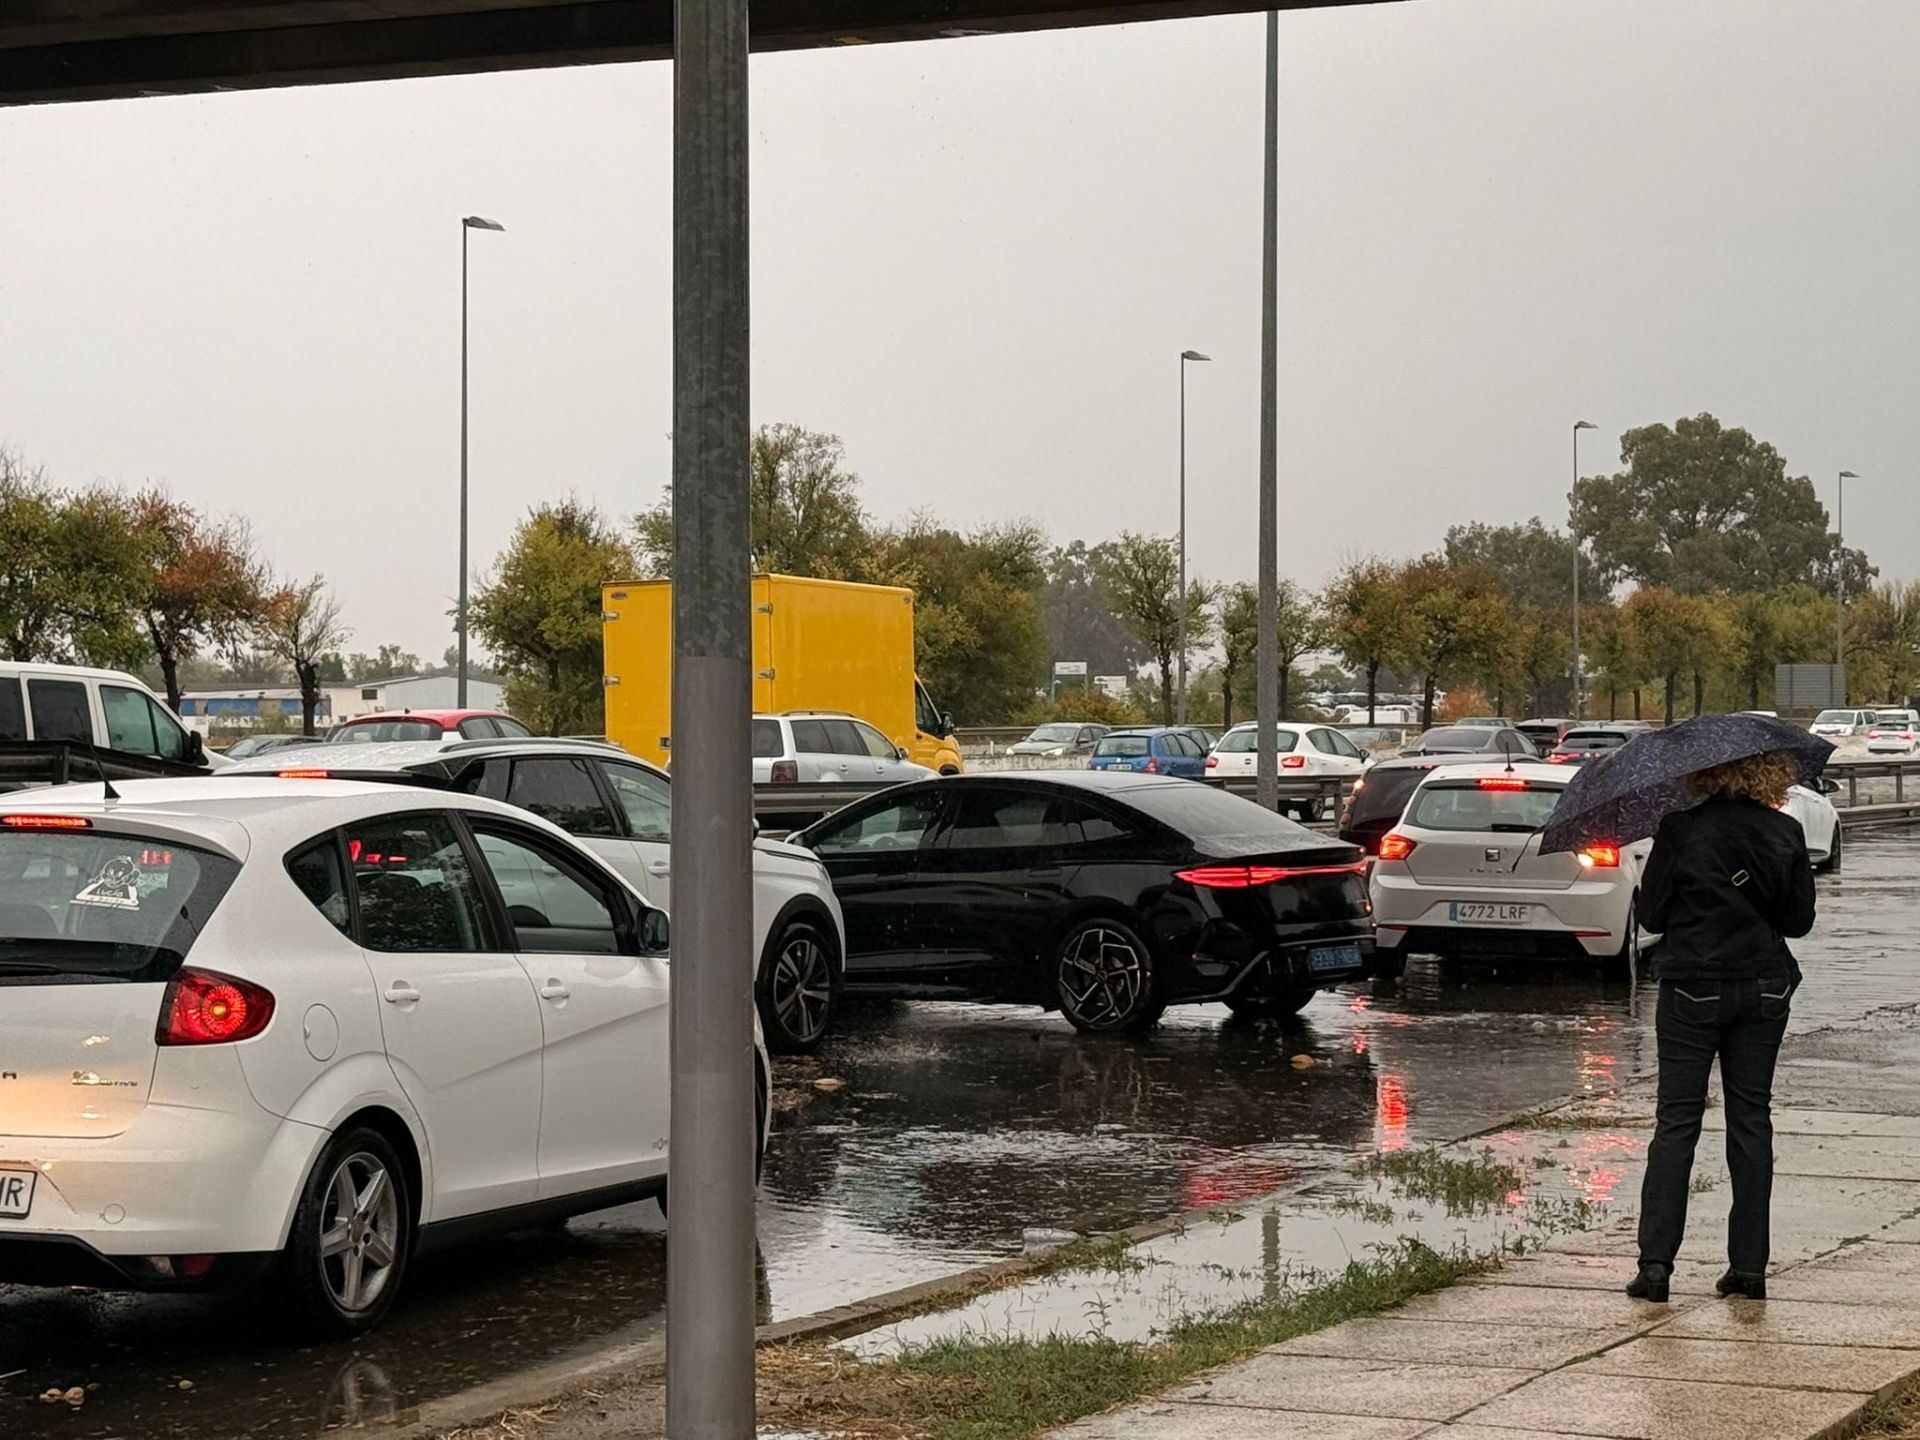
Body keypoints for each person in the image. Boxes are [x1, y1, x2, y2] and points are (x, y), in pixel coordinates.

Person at [1627, 750, 1816, 1303]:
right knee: (1751, 1120)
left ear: (1704, 773)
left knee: (1677, 1122)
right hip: (1763, 989)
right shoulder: (1785, 830)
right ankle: (1749, 1269)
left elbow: (1653, 917)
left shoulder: (1680, 829)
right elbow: (1799, 922)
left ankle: (1656, 1267)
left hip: (1692, 987)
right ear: (1767, 773)